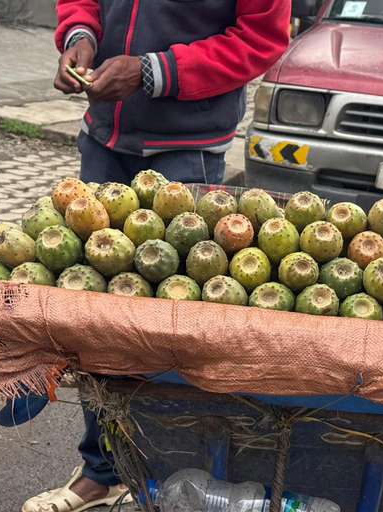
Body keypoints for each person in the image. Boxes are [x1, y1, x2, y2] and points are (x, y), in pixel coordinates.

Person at [20, 0, 291, 510]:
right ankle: (103, 469)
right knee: (92, 308)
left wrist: (154, 71)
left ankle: (175, 470)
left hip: (186, 145)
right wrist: (79, 35)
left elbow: (261, 38)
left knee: (171, 318)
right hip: (105, 137)